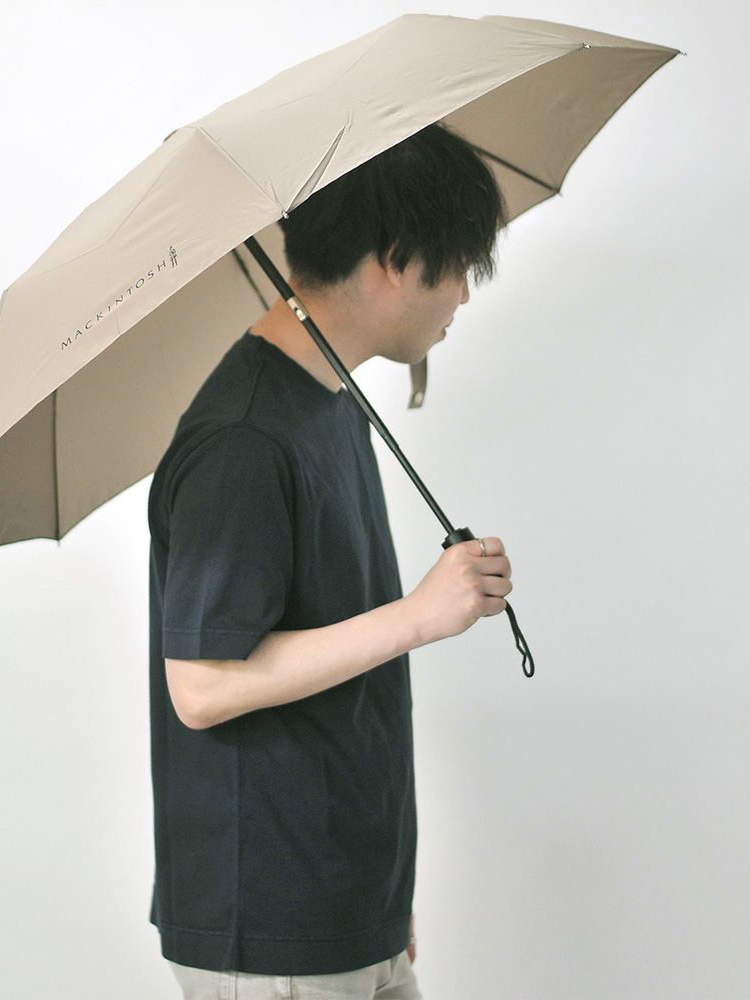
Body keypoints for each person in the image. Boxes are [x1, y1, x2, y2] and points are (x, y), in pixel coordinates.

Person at [146, 121, 512, 999]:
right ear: (394, 259)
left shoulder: (329, 399)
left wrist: (380, 897)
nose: (464, 293)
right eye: (458, 266)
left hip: (349, 910)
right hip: (274, 934)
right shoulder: (243, 439)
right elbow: (200, 686)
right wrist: (419, 616)